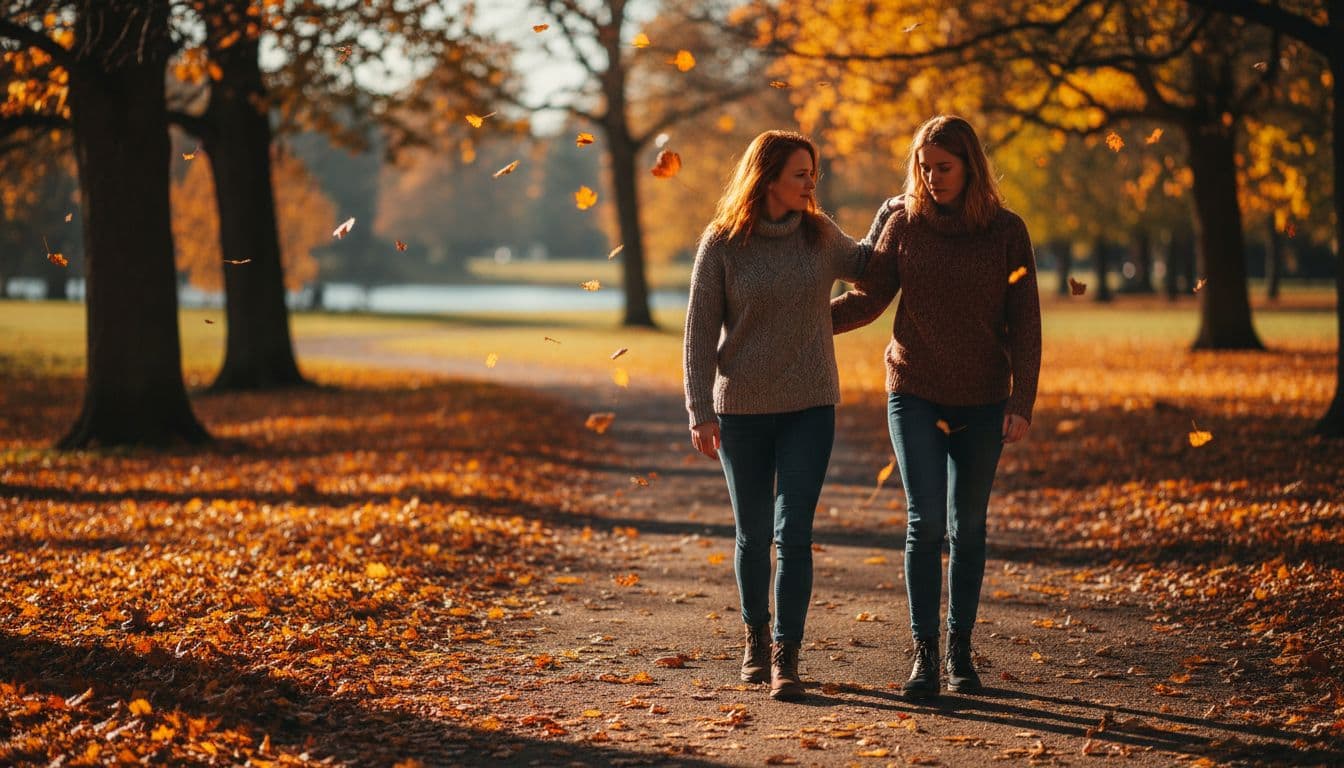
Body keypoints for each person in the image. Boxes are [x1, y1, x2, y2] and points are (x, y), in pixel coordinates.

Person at [831, 115, 1042, 700]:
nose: (931, 178)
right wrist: (800, 325)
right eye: (923, 168)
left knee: (967, 526)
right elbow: (869, 300)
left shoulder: (1006, 230)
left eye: (942, 168)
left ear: (970, 166)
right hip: (914, 389)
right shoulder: (904, 223)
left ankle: (959, 650)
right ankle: (924, 652)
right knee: (925, 522)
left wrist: (1021, 400)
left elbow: (1026, 321)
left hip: (983, 397)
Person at [683, 129, 887, 702]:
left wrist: (891, 218)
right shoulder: (722, 242)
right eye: (801, 174)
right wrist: (700, 410)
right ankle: (755, 638)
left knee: (793, 533)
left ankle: (786, 657)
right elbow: (699, 333)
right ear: (767, 176)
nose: (810, 184)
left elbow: (877, 271)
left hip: (809, 408)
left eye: (812, 174)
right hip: (741, 410)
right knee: (753, 536)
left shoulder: (820, 236)